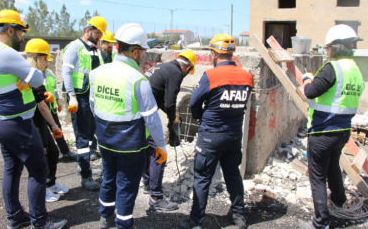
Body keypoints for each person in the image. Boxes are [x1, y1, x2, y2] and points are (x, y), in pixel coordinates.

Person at [0, 9, 66, 229]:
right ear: (10, 30)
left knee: (12, 169)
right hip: (18, 122)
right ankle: (40, 221)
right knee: (38, 171)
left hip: (1, 119)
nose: (22, 38)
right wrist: (28, 76)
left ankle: (16, 217)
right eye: (21, 32)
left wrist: (22, 78)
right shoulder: (5, 53)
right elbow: (37, 78)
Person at [89, 23, 168, 229]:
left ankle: (105, 218)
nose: (143, 56)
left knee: (108, 179)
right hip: (131, 146)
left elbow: (93, 106)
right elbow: (152, 119)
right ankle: (124, 224)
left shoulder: (97, 73)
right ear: (134, 51)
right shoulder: (137, 80)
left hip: (105, 141)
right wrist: (161, 146)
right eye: (142, 51)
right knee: (126, 186)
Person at [179, 34, 253, 229]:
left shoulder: (211, 76)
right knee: (232, 175)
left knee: (202, 178)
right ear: (231, 53)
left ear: (213, 53)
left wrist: (200, 116)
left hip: (211, 136)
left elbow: (194, 101)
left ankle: (196, 221)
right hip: (234, 135)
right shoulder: (247, 76)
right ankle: (238, 216)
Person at [298, 25, 364, 229]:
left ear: (335, 47)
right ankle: (338, 200)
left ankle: (321, 223)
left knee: (317, 176)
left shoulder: (332, 68)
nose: (327, 52)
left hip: (323, 131)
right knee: (333, 165)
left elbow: (310, 92)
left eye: (328, 48)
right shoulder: (355, 69)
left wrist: (308, 78)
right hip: (342, 131)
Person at [141, 50, 197, 211]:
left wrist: (172, 115)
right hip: (146, 113)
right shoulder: (176, 73)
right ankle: (156, 197)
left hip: (138, 111)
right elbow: (170, 102)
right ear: (187, 68)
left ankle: (147, 184)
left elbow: (162, 100)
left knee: (147, 148)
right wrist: (172, 119)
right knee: (159, 152)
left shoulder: (163, 67)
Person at [62, 16, 107, 190]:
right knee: (81, 136)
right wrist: (71, 96)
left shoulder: (95, 50)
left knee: (90, 135)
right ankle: (85, 177)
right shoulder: (74, 47)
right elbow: (66, 72)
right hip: (79, 98)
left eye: (100, 34)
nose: (99, 37)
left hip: (91, 98)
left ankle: (84, 165)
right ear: (88, 30)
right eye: (97, 33)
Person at [25, 38, 70, 202]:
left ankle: (50, 183)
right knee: (41, 157)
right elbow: (42, 106)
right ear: (36, 57)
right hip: (36, 121)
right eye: (45, 58)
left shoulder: (41, 74)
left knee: (53, 152)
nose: (47, 62)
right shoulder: (31, 75)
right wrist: (54, 126)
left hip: (43, 119)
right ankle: (41, 190)